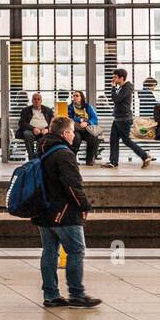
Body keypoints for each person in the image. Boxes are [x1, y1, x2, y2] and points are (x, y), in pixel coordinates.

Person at [33, 116, 100, 308]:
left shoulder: (42, 149)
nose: (74, 135)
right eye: (72, 131)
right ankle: (77, 294)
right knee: (76, 250)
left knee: (49, 251)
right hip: (64, 212)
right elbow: (72, 186)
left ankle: (51, 295)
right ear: (65, 133)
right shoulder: (64, 154)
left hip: (43, 210)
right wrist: (84, 206)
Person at [105, 68, 155, 169]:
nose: (113, 79)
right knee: (113, 140)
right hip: (118, 118)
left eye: (115, 77)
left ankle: (145, 156)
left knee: (126, 140)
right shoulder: (121, 88)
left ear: (121, 78)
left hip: (124, 119)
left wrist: (113, 88)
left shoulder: (126, 88)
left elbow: (116, 99)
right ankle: (113, 162)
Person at [15, 92, 54, 161]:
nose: (36, 101)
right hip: (31, 131)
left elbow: (53, 123)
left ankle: (40, 157)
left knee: (45, 137)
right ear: (32, 100)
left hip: (44, 132)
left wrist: (47, 129)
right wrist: (33, 128)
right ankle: (31, 157)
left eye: (38, 99)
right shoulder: (26, 110)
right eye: (34, 99)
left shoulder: (48, 110)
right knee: (27, 134)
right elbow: (22, 123)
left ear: (41, 101)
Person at [67, 90, 100, 166]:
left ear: (81, 97)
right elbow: (69, 119)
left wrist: (87, 122)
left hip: (86, 129)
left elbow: (94, 119)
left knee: (93, 137)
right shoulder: (69, 107)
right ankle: (73, 159)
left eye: (77, 96)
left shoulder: (88, 107)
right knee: (76, 138)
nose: (75, 97)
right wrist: (80, 120)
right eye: (73, 96)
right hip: (76, 130)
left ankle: (89, 160)